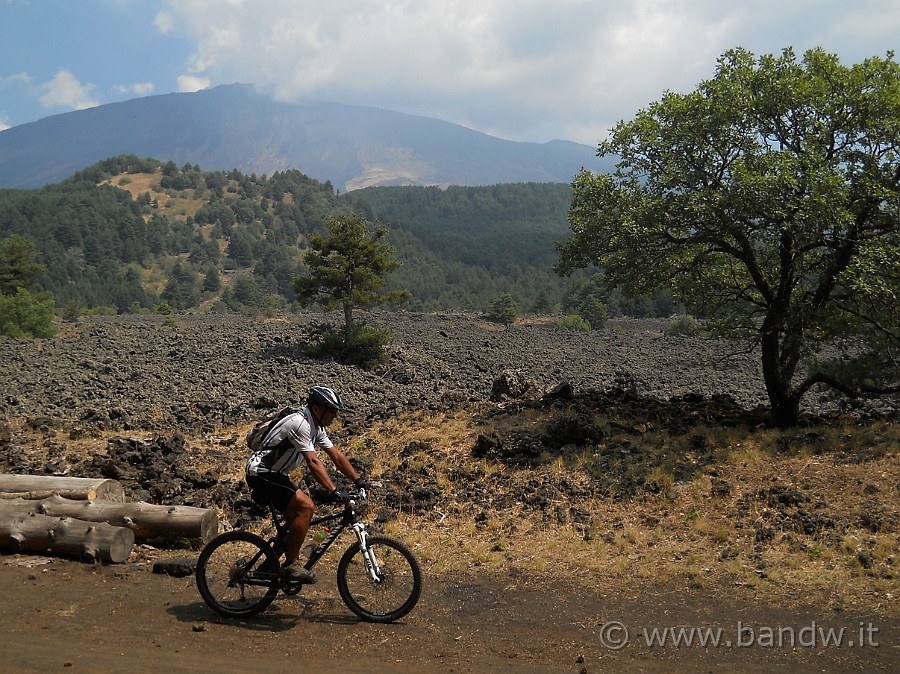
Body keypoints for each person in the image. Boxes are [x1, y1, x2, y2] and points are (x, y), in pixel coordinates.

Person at [245, 385, 368, 583]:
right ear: (317, 409)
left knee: (296, 520)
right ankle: (292, 564)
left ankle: (268, 566)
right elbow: (313, 462)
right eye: (332, 411)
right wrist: (334, 490)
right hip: (261, 473)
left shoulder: (316, 427)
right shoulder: (300, 423)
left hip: (275, 474)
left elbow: (336, 456)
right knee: (306, 507)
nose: (335, 416)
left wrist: (358, 480)